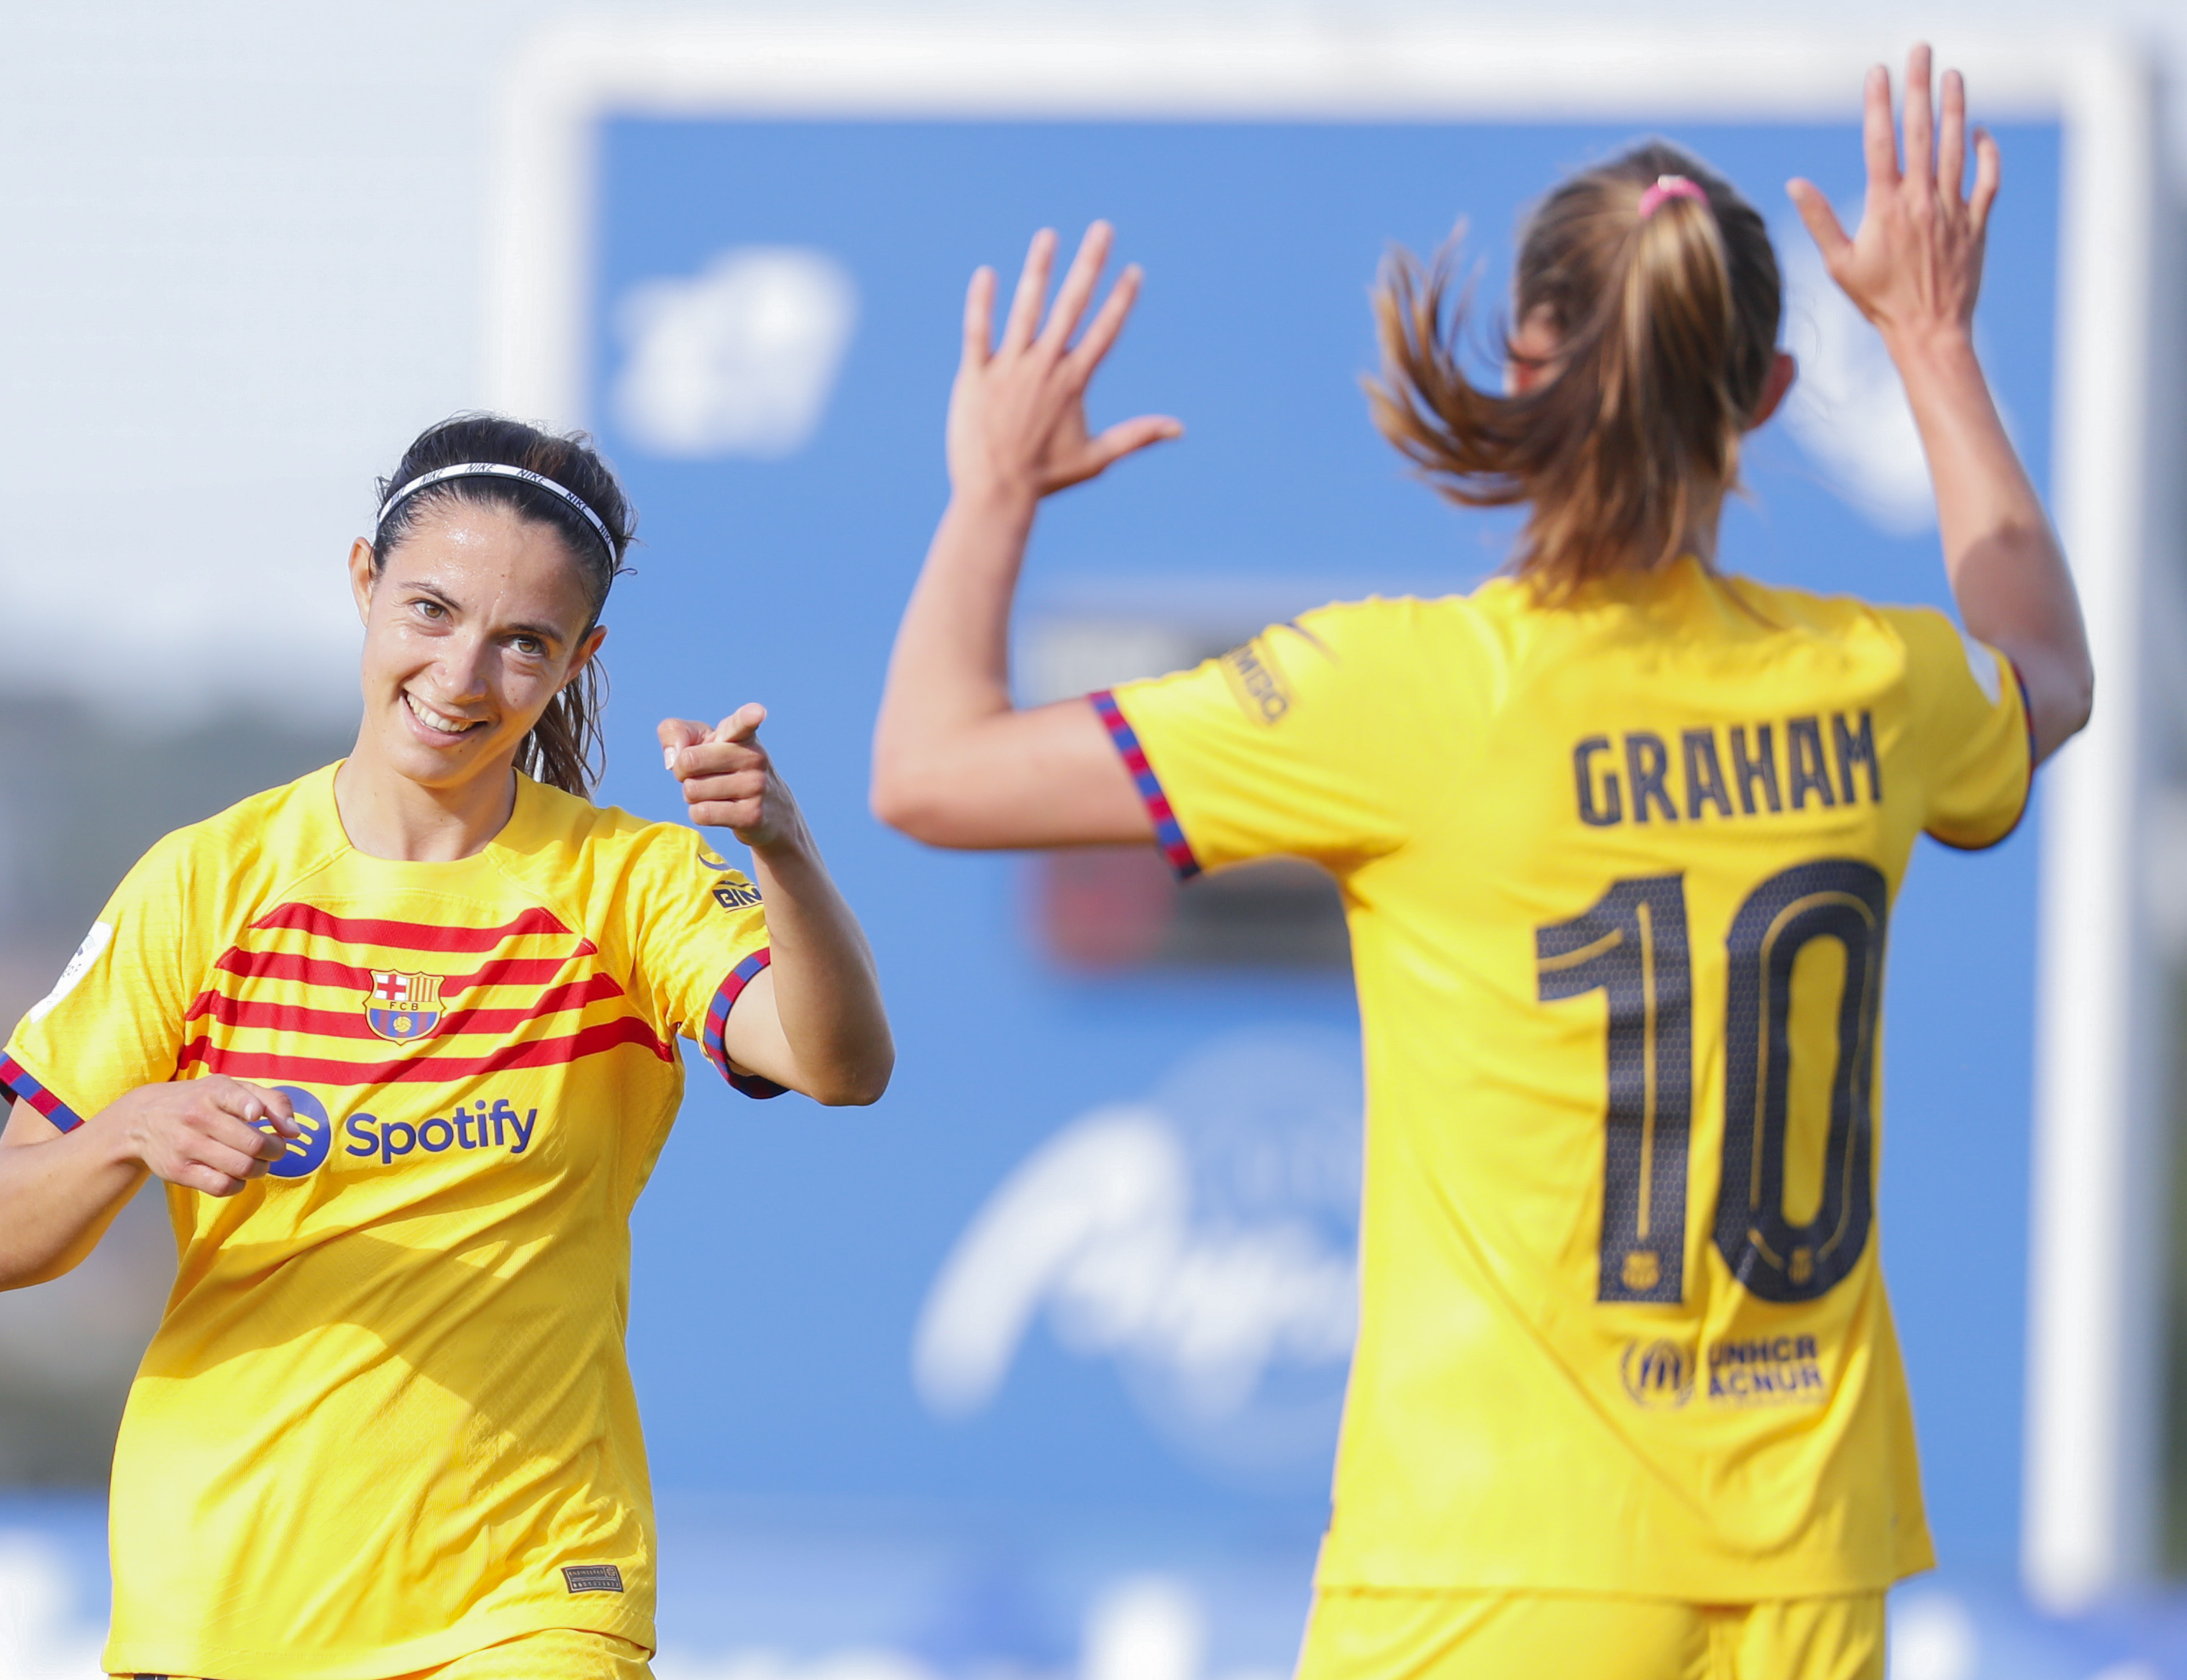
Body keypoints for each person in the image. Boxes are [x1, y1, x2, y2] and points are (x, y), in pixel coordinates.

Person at [872, 46, 2088, 1680]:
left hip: (1493, 1563)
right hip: (1810, 1566)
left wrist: (992, 494)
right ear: (1769, 398)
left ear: (1526, 359)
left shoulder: (1408, 691)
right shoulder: (1876, 684)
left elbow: (928, 773)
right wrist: (1934, 344)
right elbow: (2049, 670)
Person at [0, 413, 895, 1680]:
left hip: (533, 1590)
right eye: (432, 613)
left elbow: (842, 1067)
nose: (462, 677)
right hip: (226, 1590)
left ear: (579, 657)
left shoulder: (626, 884)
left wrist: (782, 849)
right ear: (363, 583)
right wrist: (129, 1131)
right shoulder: (206, 882)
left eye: (523, 644)